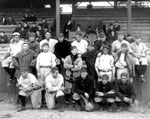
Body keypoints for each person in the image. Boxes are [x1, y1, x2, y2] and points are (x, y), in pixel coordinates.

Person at [36, 42, 57, 107]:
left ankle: (49, 101)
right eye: (44, 47)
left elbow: (54, 63)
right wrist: (38, 71)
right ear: (42, 48)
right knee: (41, 85)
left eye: (46, 47)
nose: (45, 48)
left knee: (48, 85)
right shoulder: (40, 55)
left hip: (49, 69)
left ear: (48, 48)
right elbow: (38, 63)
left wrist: (52, 70)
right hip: (41, 69)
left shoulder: (51, 54)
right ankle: (41, 101)